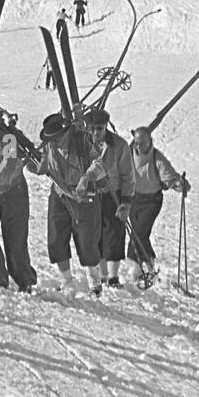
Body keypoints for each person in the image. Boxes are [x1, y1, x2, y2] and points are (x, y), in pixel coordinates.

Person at [26, 114, 105, 296]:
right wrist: (32, 164)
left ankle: (94, 281)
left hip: (84, 196)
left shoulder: (82, 141)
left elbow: (101, 163)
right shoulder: (50, 145)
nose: (54, 142)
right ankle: (67, 281)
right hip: (60, 194)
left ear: (66, 132)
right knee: (56, 237)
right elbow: (43, 166)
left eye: (57, 138)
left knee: (87, 241)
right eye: (51, 139)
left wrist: (88, 177)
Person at [0, 107, 38, 293]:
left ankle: (24, 279)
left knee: (15, 238)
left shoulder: (8, 138)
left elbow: (4, 166)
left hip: (13, 192)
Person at [125, 126, 188, 286]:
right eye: (137, 143)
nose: (140, 147)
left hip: (152, 201)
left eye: (143, 143)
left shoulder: (156, 158)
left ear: (150, 142)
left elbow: (169, 176)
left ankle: (135, 266)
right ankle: (151, 266)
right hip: (133, 199)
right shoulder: (128, 155)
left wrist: (178, 184)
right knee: (141, 234)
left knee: (138, 233)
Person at [85, 108, 134, 289]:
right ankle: (102, 275)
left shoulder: (119, 145)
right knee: (95, 235)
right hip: (92, 195)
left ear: (105, 126)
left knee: (113, 234)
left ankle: (113, 277)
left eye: (99, 128)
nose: (96, 133)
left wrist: (126, 201)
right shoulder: (84, 144)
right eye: (92, 129)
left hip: (114, 194)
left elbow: (128, 175)